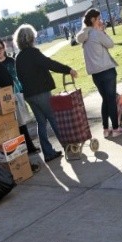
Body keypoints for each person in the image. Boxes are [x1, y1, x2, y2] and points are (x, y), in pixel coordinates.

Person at [14, 24, 78, 162]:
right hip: (41, 92)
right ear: (31, 38)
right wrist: (68, 69)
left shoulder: (18, 57)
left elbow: (19, 77)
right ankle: (69, 147)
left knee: (41, 122)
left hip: (29, 95)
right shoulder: (34, 53)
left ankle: (48, 152)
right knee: (53, 118)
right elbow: (50, 64)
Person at [0, 38, 42, 155]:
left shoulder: (10, 61)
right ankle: (21, 149)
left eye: (0, 48)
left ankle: (29, 146)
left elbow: (18, 77)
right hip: (5, 97)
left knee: (21, 122)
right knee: (12, 125)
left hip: (16, 93)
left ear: (4, 49)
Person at [77, 8, 122, 138]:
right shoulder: (96, 33)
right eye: (99, 19)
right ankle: (115, 128)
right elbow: (110, 44)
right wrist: (103, 32)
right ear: (93, 20)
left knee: (105, 100)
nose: (101, 21)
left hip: (95, 74)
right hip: (107, 70)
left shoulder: (84, 35)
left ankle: (105, 129)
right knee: (111, 99)